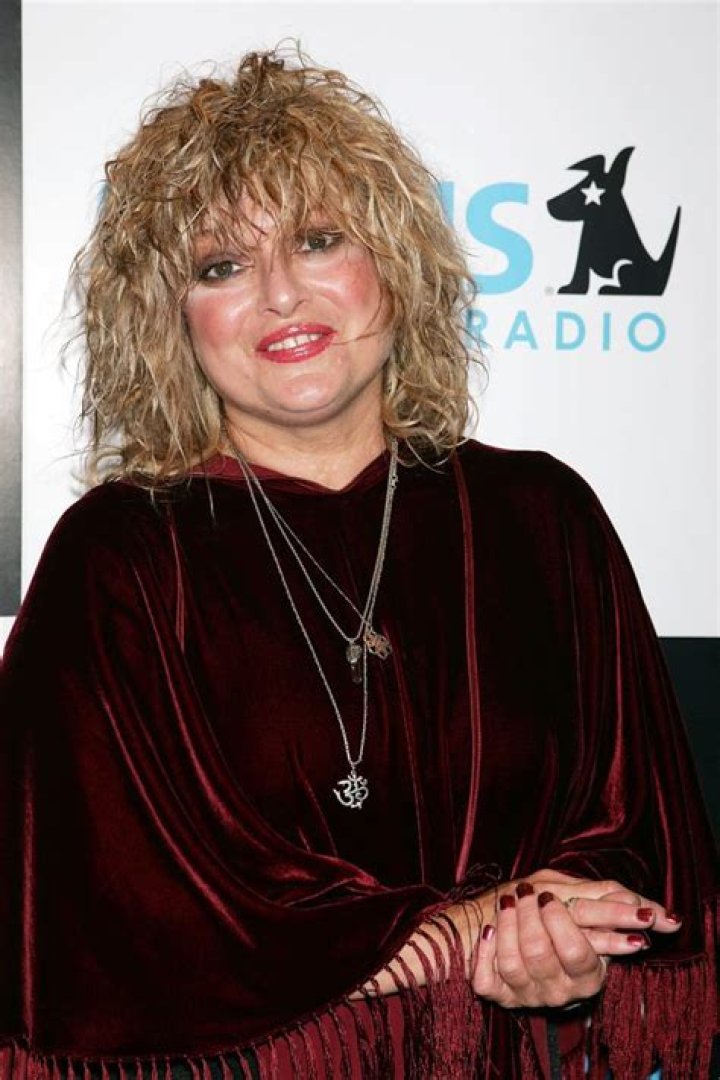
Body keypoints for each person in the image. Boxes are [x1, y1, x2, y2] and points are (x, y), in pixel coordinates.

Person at [0, 46, 716, 1080]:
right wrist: (467, 930)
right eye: (222, 266)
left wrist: (554, 945)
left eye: (318, 239)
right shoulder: (115, 556)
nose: (281, 295)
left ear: (395, 261)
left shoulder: (542, 517)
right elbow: (123, 923)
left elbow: (634, 837)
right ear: (170, 319)